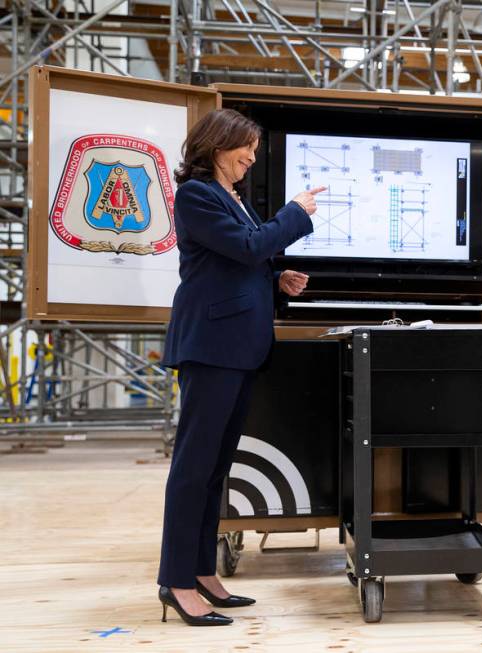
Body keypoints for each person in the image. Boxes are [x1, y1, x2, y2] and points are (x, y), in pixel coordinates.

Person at [157, 108, 323, 626]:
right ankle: (176, 581)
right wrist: (295, 212)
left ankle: (202, 571)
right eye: (245, 147)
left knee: (215, 468)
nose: (252, 157)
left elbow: (241, 263)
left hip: (237, 347)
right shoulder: (197, 194)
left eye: (254, 148)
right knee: (193, 467)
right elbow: (247, 246)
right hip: (211, 346)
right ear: (216, 145)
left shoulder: (233, 198)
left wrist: (278, 281)